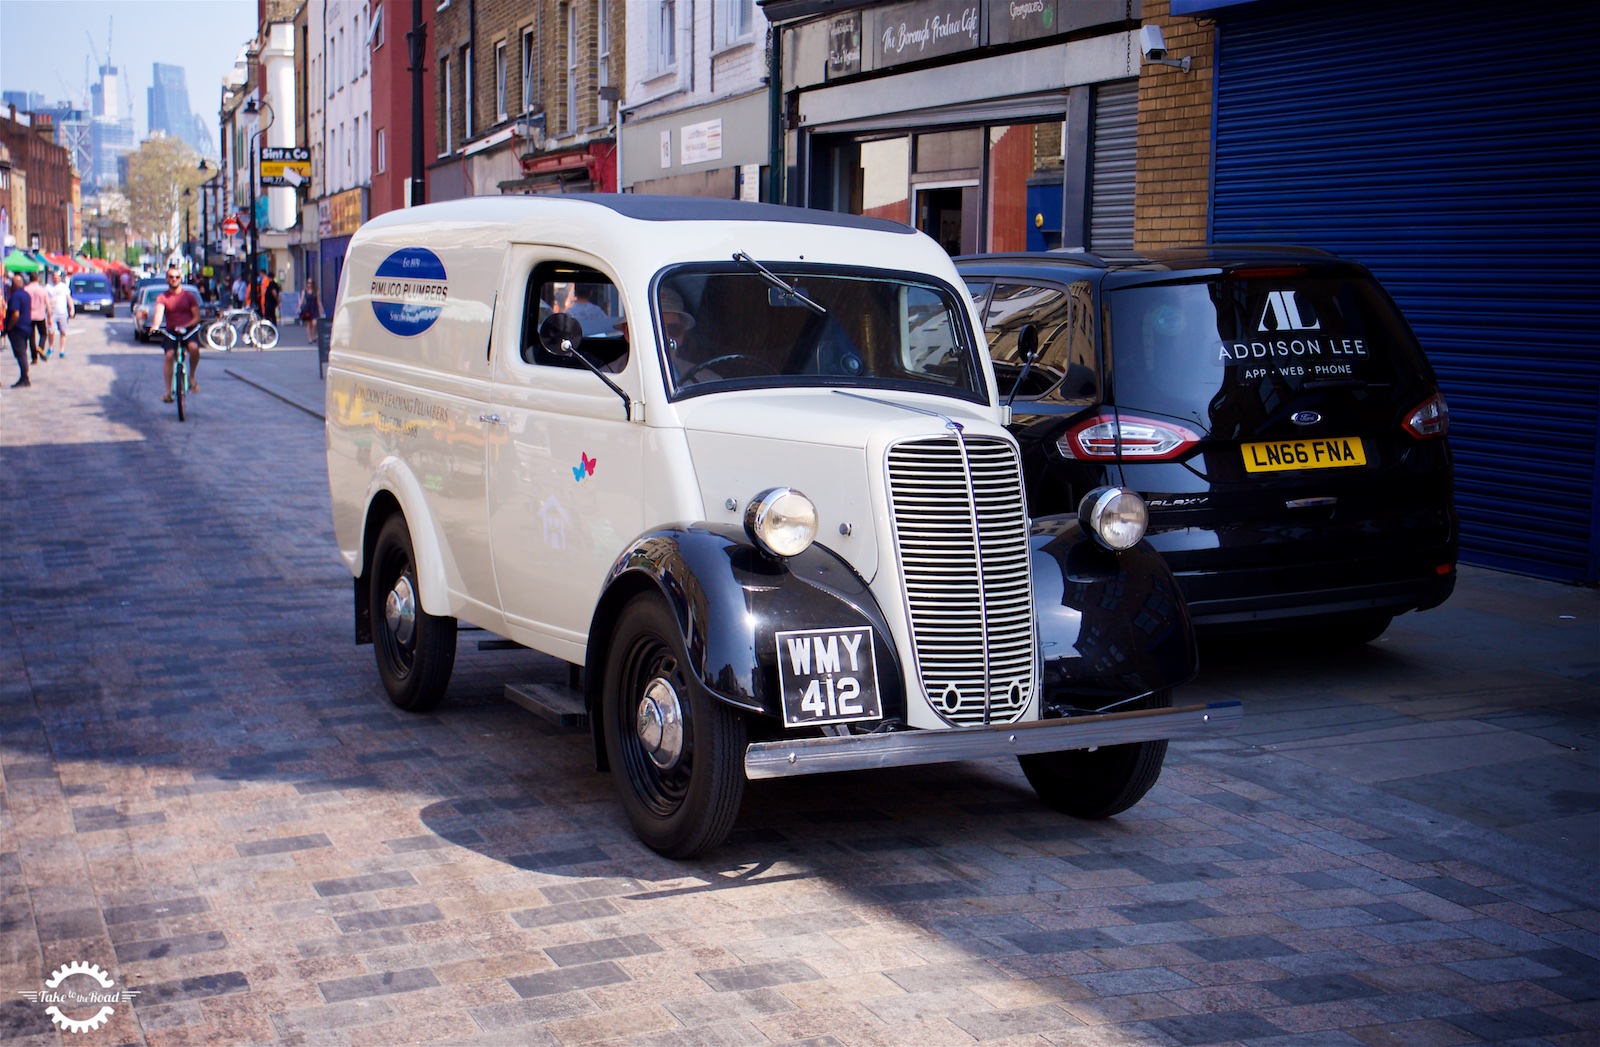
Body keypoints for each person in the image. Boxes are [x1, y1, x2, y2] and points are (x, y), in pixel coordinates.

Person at [151, 267, 203, 403]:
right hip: (171, 331)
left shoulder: (188, 296)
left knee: (193, 348)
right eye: (171, 277)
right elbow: (159, 313)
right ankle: (168, 392)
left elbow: (196, 316)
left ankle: (191, 376)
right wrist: (155, 326)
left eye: (177, 277)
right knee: (169, 355)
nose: (174, 279)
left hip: (188, 330)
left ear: (181, 279)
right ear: (167, 279)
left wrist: (185, 326)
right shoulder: (163, 297)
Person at [5, 271, 33, 387]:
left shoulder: (16, 296)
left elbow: (15, 314)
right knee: (23, 353)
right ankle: (24, 376)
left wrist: (9, 327)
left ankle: (24, 378)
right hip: (27, 327)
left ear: (15, 284)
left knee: (20, 354)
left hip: (18, 329)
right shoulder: (26, 294)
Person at [44, 270, 73, 359]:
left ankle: (61, 350)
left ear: (60, 277)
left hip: (62, 312)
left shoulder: (64, 287)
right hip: (52, 312)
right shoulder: (48, 287)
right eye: (54, 277)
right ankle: (51, 347)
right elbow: (44, 298)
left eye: (57, 277)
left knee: (63, 332)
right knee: (51, 331)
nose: (55, 279)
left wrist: (71, 309)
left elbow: (69, 298)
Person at [25, 272, 50, 363]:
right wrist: (50, 316)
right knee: (43, 333)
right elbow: (47, 304)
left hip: (29, 315)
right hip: (40, 315)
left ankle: (34, 358)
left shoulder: (26, 289)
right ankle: (41, 347)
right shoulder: (42, 289)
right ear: (37, 279)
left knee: (31, 337)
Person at [299, 278, 320, 343]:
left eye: (311, 283)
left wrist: (321, 310)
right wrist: (298, 308)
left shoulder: (316, 291)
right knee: (308, 324)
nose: (309, 284)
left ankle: (314, 335)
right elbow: (301, 300)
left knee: (314, 323)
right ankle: (309, 338)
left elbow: (318, 301)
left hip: (314, 308)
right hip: (307, 309)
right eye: (308, 283)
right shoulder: (304, 291)